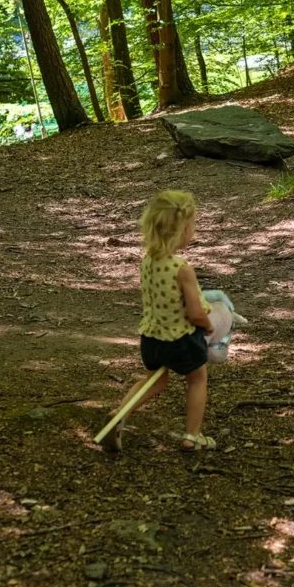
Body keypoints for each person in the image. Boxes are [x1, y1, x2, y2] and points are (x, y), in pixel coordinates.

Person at [102, 190, 216, 452]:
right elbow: (195, 313)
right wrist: (208, 326)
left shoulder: (148, 261)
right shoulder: (181, 268)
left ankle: (120, 413)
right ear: (183, 230)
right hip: (180, 340)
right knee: (197, 379)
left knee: (155, 380)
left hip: (152, 338)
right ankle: (192, 436)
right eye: (192, 226)